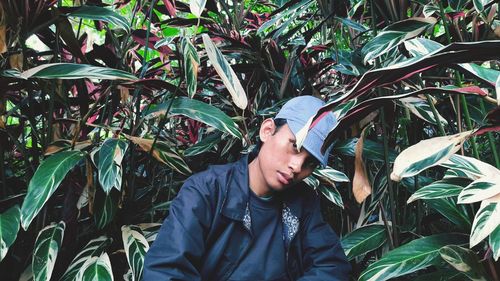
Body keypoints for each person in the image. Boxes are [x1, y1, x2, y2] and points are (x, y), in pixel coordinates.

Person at [143, 96, 351, 281]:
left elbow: (332, 267)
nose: (297, 167)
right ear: (267, 130)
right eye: (294, 146)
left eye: (310, 163)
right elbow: (165, 271)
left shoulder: (303, 202)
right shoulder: (207, 191)